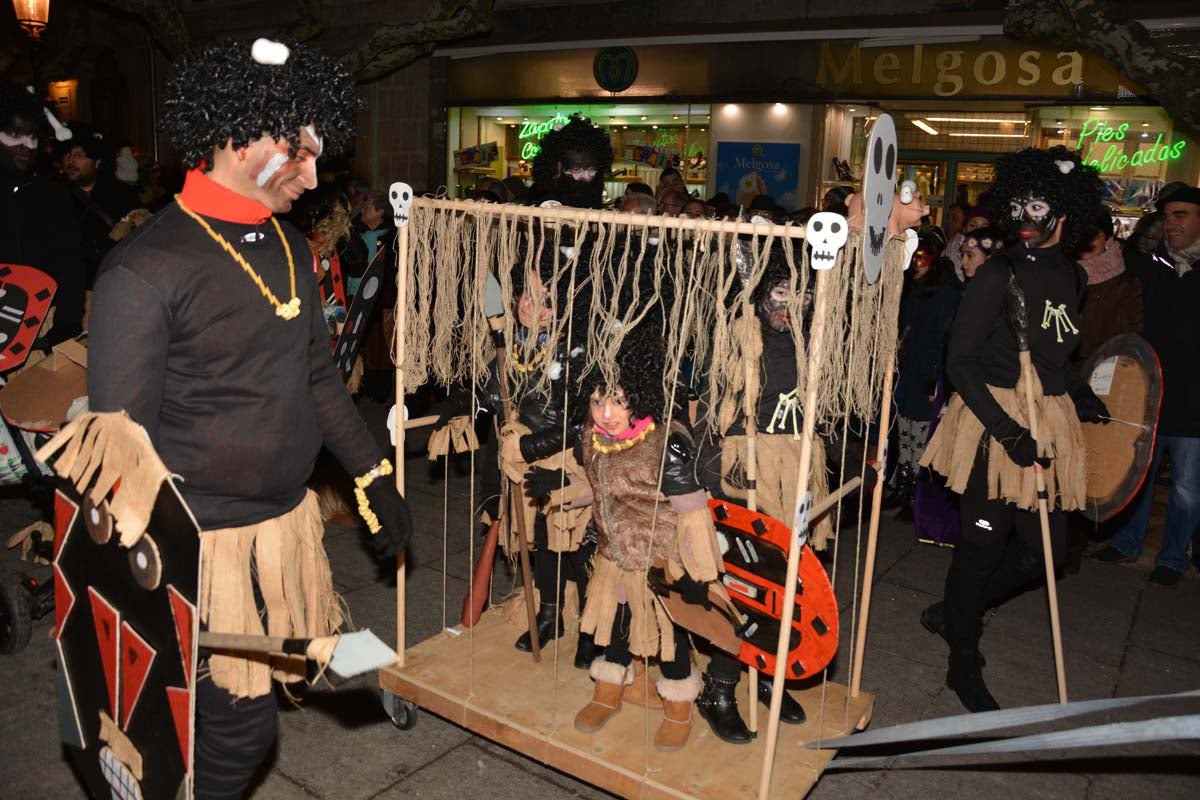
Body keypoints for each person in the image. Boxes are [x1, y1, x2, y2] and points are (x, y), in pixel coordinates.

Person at [86, 39, 412, 799]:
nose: (311, 175)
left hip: (282, 536)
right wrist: (144, 591)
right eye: (295, 152)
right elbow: (119, 461)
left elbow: (319, 381)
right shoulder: (147, 268)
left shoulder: (293, 249)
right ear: (236, 135)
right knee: (235, 733)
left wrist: (374, 478)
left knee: (254, 699)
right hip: (198, 551)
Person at [919, 146, 1107, 712]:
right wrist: (1006, 431)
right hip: (991, 423)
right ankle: (961, 663)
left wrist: (1081, 393)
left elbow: (1058, 358)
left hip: (1047, 420)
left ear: (1065, 211)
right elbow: (961, 364)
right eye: (1020, 202)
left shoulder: (1074, 275)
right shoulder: (999, 272)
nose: (1027, 213)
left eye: (1039, 202)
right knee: (979, 550)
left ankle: (956, 612)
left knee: (1044, 555)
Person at [1092, 186, 1200, 587]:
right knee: (1137, 475)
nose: (1173, 224)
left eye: (1182, 215)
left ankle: (1173, 557)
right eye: (1169, 216)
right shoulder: (1153, 267)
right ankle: (1127, 541)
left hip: (1193, 403)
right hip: (1148, 397)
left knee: (1188, 488)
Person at [0, 81, 85, 347]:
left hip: (40, 333)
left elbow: (71, 264)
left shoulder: (53, 196)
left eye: (33, 137)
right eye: (15, 135)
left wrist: (65, 324)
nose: (26, 145)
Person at [887, 229, 960, 523]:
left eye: (921, 258)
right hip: (909, 368)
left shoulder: (947, 289)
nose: (915, 264)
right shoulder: (917, 286)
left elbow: (946, 338)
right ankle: (903, 486)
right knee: (904, 430)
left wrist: (936, 378)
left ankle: (916, 493)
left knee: (920, 436)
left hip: (926, 372)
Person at [62, 121, 143, 289]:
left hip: (113, 284)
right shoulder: (56, 197)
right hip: (72, 285)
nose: (71, 161)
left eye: (78, 155)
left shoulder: (122, 195)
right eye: (67, 155)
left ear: (97, 162)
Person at [1069, 206, 1142, 364]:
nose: (1085, 242)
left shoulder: (1125, 285)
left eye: (1093, 236)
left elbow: (1130, 338)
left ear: (1108, 239)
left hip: (1102, 371)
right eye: (1080, 236)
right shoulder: (1059, 274)